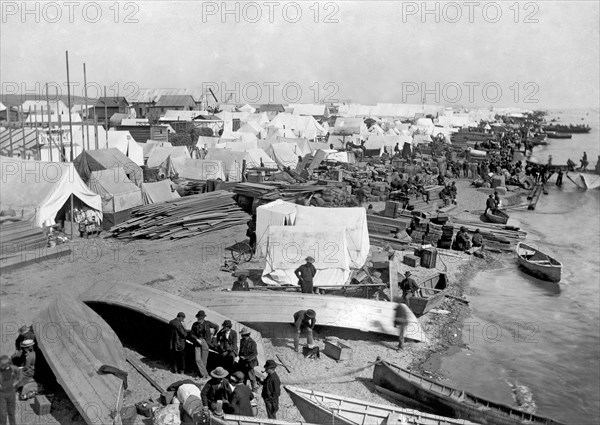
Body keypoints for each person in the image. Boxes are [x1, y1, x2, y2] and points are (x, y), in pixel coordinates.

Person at [191, 310, 219, 379]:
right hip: (197, 342)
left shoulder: (207, 323)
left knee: (204, 360)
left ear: (203, 318)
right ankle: (205, 374)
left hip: (205, 342)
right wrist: (197, 339)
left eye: (200, 318)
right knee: (197, 359)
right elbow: (191, 334)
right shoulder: (195, 324)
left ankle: (200, 375)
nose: (199, 320)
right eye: (198, 318)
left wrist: (213, 335)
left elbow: (217, 327)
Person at [0, 354, 19, 425]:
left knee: (11, 413)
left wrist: (15, 384)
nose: (1, 366)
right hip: (2, 395)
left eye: (3, 365)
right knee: (2, 414)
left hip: (11, 393)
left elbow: (19, 376)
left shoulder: (13, 368)